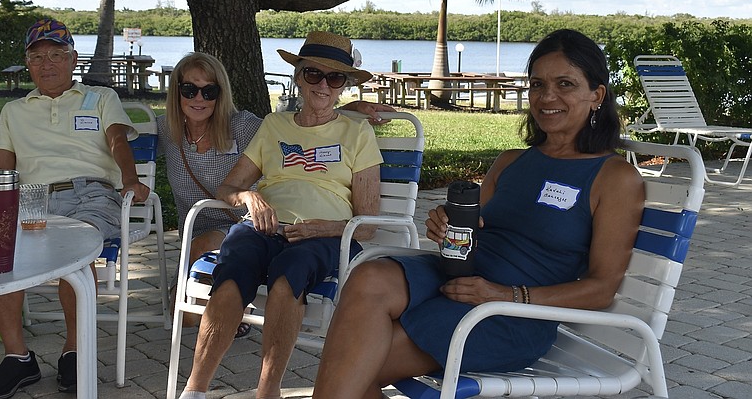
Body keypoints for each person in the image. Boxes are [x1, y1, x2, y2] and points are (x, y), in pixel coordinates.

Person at [311, 29, 646, 399]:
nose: (547, 96)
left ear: (596, 95)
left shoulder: (614, 177)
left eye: (565, 84)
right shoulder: (511, 161)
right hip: (463, 283)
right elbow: (467, 234)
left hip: (511, 315)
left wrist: (507, 295)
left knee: (353, 368)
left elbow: (601, 290)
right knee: (369, 275)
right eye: (537, 84)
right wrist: (446, 225)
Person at [179, 31, 384, 399]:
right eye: (313, 74)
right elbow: (227, 189)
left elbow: (367, 223)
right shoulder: (274, 126)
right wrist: (249, 198)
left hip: (326, 237)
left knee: (288, 274)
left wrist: (329, 228)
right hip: (264, 226)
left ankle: (267, 391)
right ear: (298, 76)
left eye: (334, 77)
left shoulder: (357, 132)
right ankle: (194, 390)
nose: (322, 84)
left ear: (344, 86)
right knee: (231, 273)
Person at [0, 18, 150, 399]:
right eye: (38, 56)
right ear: (28, 64)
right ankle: (18, 359)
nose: (47, 64)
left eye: (57, 55)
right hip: (30, 198)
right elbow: (4, 168)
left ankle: (75, 351)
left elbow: (116, 141)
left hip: (89, 193)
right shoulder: (13, 110)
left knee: (76, 256)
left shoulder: (100, 98)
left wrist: (129, 178)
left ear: (73, 59)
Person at [159, 50, 393, 335]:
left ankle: (236, 310)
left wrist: (347, 109)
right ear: (176, 92)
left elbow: (306, 126)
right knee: (182, 316)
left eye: (210, 91)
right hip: (217, 228)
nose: (199, 99)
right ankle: (231, 312)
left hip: (248, 222)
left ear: (221, 93)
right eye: (189, 90)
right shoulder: (166, 131)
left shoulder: (242, 126)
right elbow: (115, 138)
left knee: (261, 268)